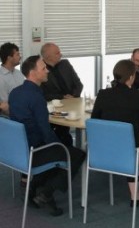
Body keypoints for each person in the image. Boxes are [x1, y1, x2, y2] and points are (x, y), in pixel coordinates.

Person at [8, 55, 86, 215]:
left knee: (61, 149)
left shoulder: (15, 93)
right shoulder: (36, 97)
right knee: (76, 155)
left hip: (17, 150)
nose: (47, 71)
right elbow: (46, 133)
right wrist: (61, 147)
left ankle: (33, 190)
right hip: (34, 150)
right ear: (32, 73)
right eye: (43, 68)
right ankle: (46, 192)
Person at [90, 59, 139, 203]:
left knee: (127, 146)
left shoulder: (103, 94)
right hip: (132, 155)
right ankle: (135, 196)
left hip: (105, 153)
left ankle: (135, 194)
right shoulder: (138, 96)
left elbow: (95, 120)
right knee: (134, 146)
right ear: (131, 77)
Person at [0, 42, 25, 114]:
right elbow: (5, 106)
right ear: (9, 58)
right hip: (10, 116)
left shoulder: (19, 73)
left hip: (24, 110)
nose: (20, 57)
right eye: (17, 54)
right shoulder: (1, 78)